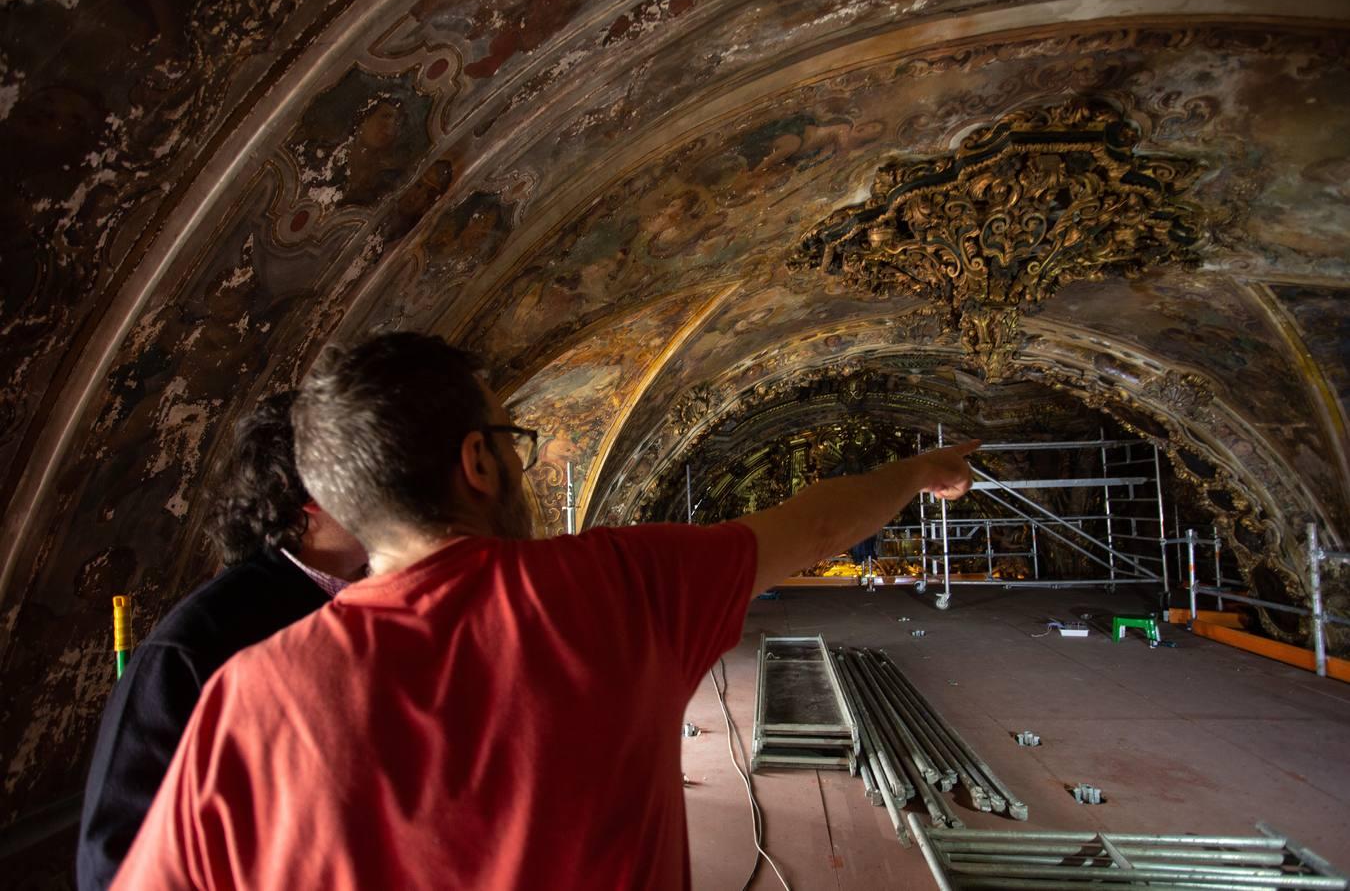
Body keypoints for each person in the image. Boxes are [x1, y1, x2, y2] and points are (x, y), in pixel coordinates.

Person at [113, 333, 977, 890]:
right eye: (509, 440)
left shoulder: (246, 697)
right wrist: (916, 472)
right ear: (479, 465)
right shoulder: (621, 589)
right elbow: (813, 523)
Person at [77, 392, 367, 890]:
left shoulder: (370, 602)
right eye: (374, 468)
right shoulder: (198, 644)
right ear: (312, 491)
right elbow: (115, 859)